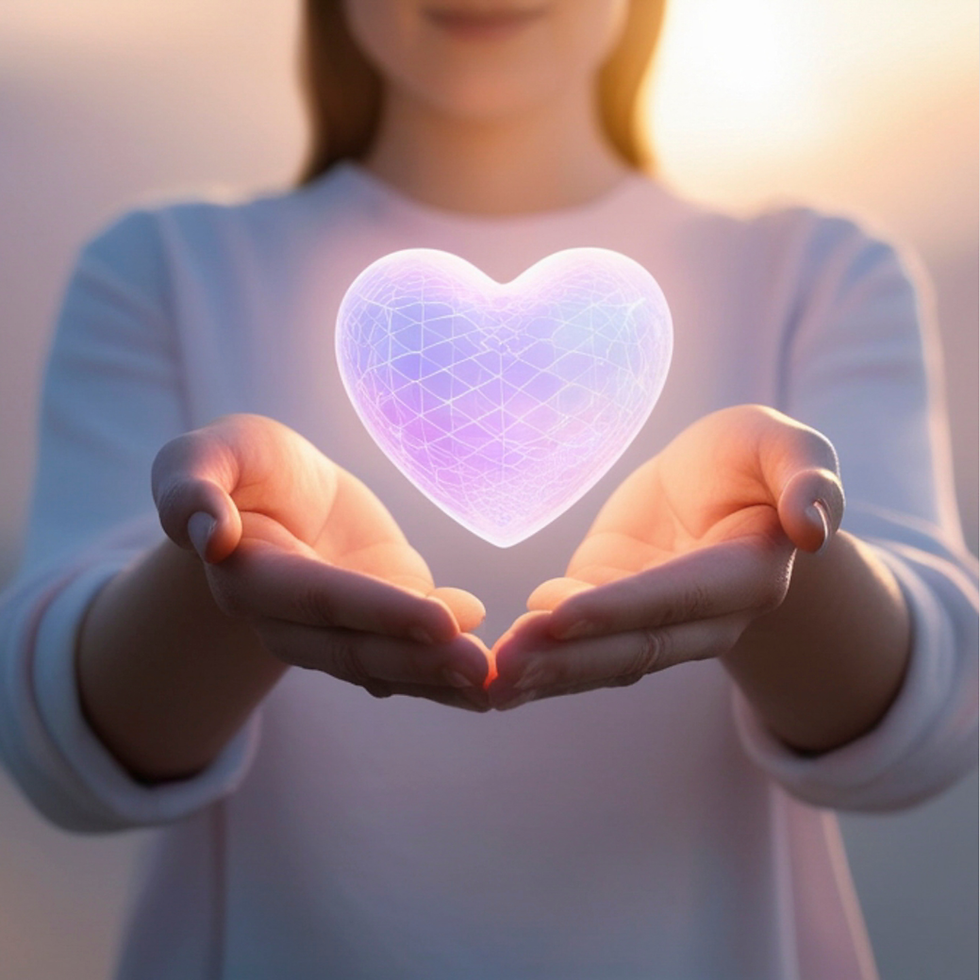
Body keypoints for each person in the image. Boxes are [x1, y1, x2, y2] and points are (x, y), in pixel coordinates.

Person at [0, 1, 976, 977]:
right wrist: (216, 578)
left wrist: (786, 569)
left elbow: (929, 721)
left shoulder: (817, 274)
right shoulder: (164, 270)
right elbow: (60, 747)